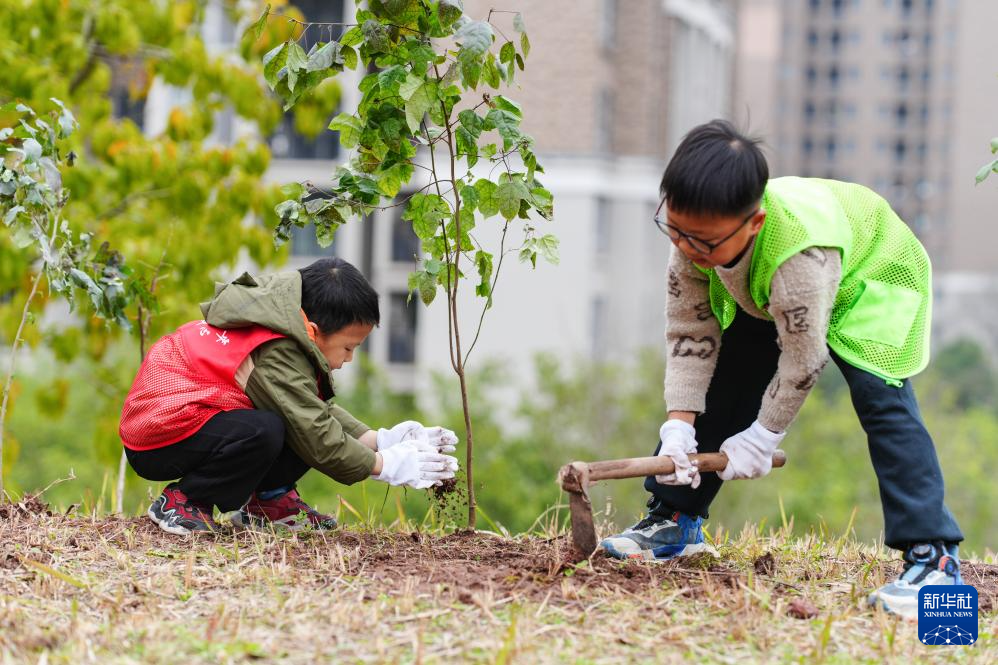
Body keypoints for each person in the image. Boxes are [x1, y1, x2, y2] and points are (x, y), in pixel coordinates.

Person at [600, 120, 964, 619]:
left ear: (753, 223)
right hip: (765, 285)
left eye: (702, 242)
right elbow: (690, 332)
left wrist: (764, 434)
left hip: (871, 271)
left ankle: (936, 563)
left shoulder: (799, 259)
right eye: (675, 230)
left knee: (883, 402)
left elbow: (804, 358)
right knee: (729, 377)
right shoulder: (696, 237)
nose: (687, 250)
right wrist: (678, 425)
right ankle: (675, 519)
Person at [119, 257, 458, 535]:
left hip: (199, 419)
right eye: (348, 347)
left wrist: (380, 439)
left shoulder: (281, 328)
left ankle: (269, 502)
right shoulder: (275, 349)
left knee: (290, 421)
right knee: (267, 429)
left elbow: (308, 408)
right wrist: (385, 465)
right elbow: (315, 433)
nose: (349, 359)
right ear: (312, 331)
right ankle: (184, 500)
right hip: (159, 433)